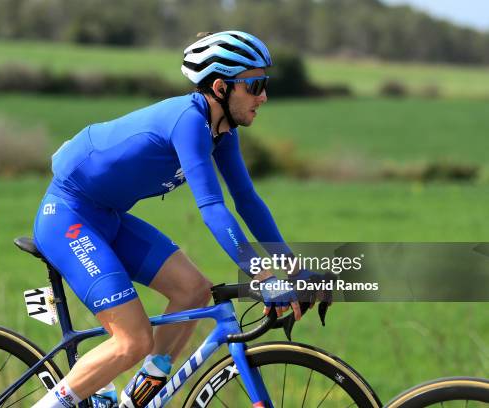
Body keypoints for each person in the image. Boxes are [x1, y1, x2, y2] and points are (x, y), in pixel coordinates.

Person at [32, 31, 318, 408]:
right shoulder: (188, 121)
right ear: (221, 87)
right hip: (69, 216)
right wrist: (263, 277)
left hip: (107, 217)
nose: (263, 96)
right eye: (255, 85)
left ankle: (138, 396)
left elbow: (247, 202)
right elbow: (213, 207)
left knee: (193, 290)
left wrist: (295, 272)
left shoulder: (221, 133)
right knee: (132, 340)